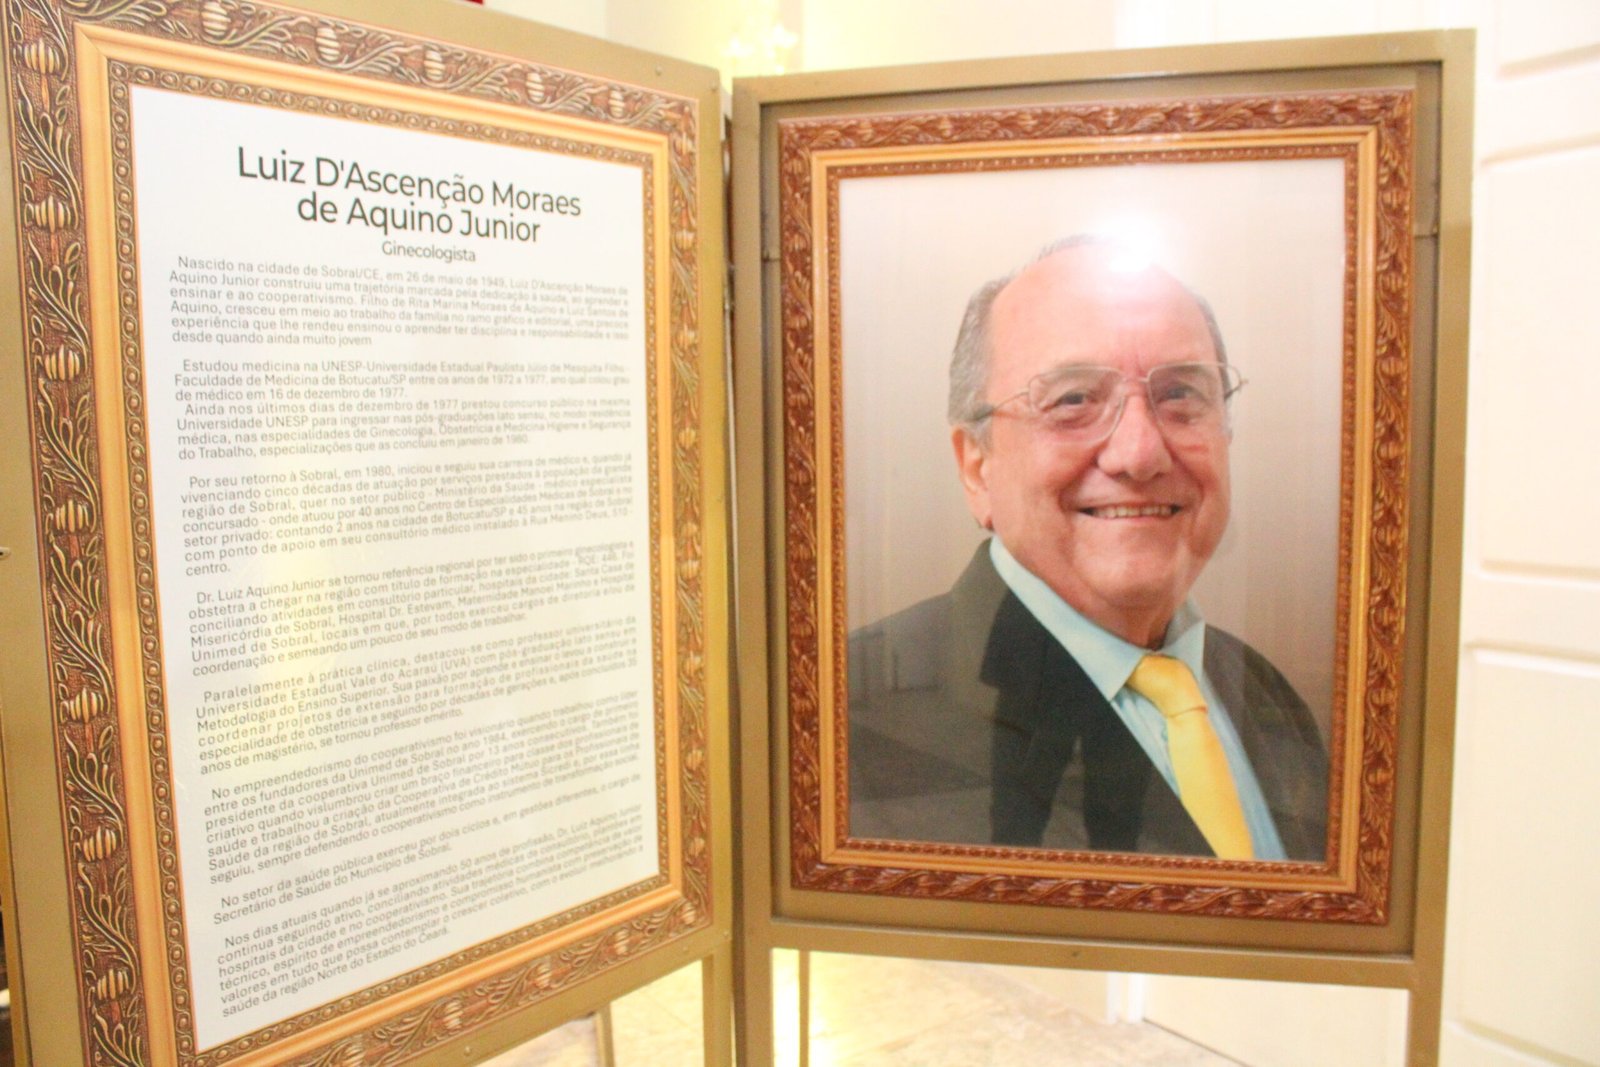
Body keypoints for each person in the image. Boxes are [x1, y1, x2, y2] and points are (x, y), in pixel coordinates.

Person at [847, 237, 1328, 860]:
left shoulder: (1263, 694)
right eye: (1073, 400)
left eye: (1180, 394)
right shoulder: (858, 728)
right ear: (977, 467)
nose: (1140, 453)